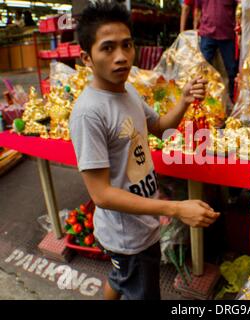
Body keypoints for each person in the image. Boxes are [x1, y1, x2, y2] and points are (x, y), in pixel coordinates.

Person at [70, 0, 220, 300]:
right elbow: (101, 194)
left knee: (121, 276)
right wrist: (177, 209)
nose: (122, 57)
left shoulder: (129, 92)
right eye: (108, 48)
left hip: (142, 224)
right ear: (87, 58)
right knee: (136, 283)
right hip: (127, 236)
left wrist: (185, 100)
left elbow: (161, 127)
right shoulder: (89, 113)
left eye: (127, 45)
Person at [180, 0, 238, 102]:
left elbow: (239, 8)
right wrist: (195, 30)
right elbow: (197, 11)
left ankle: (233, 99)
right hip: (207, 34)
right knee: (202, 69)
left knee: (232, 71)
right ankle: (200, 100)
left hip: (227, 35)